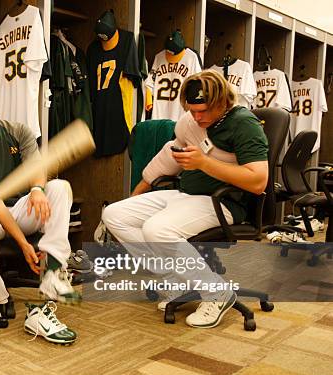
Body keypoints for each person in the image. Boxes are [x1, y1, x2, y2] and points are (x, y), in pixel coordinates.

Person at [103, 69, 269, 328]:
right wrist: (134, 196)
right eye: (192, 110)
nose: (197, 116)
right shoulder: (189, 122)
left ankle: (217, 292)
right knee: (114, 214)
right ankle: (176, 280)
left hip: (224, 202)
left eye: (204, 110)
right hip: (185, 194)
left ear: (223, 101)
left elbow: (258, 182)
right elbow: (168, 157)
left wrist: (204, 163)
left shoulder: (244, 124)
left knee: (157, 228)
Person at [0, 76, 78, 344]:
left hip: (21, 208)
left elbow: (36, 171)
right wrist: (23, 245)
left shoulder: (18, 131)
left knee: (59, 187)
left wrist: (37, 190)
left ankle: (53, 271)